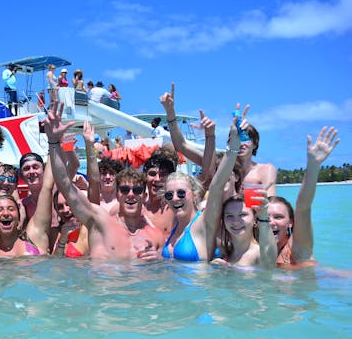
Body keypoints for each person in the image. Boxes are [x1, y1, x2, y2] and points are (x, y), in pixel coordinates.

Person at [44, 102, 163, 260]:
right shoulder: (99, 222)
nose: (131, 195)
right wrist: (53, 142)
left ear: (145, 196)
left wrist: (159, 261)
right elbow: (65, 185)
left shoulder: (155, 236)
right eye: (125, 190)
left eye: (137, 190)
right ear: (118, 194)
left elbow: (167, 277)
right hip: (101, 284)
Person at [161, 109, 246, 262]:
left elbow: (217, 184)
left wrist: (234, 143)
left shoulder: (205, 221)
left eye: (181, 193)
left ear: (194, 194)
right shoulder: (176, 224)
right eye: (169, 195)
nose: (175, 198)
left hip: (200, 286)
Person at [270, 126, 339, 268]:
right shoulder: (257, 250)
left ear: (291, 222)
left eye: (278, 217)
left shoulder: (297, 247)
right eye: (267, 217)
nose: (271, 222)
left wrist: (313, 165)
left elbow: (303, 206)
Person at [0, 161, 55, 257]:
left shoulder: (31, 229)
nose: (6, 182)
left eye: (11, 179)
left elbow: (47, 187)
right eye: (1, 178)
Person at [142, 155, 176, 241]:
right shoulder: (138, 208)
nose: (157, 179)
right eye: (152, 174)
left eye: (163, 174)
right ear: (145, 177)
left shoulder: (177, 209)